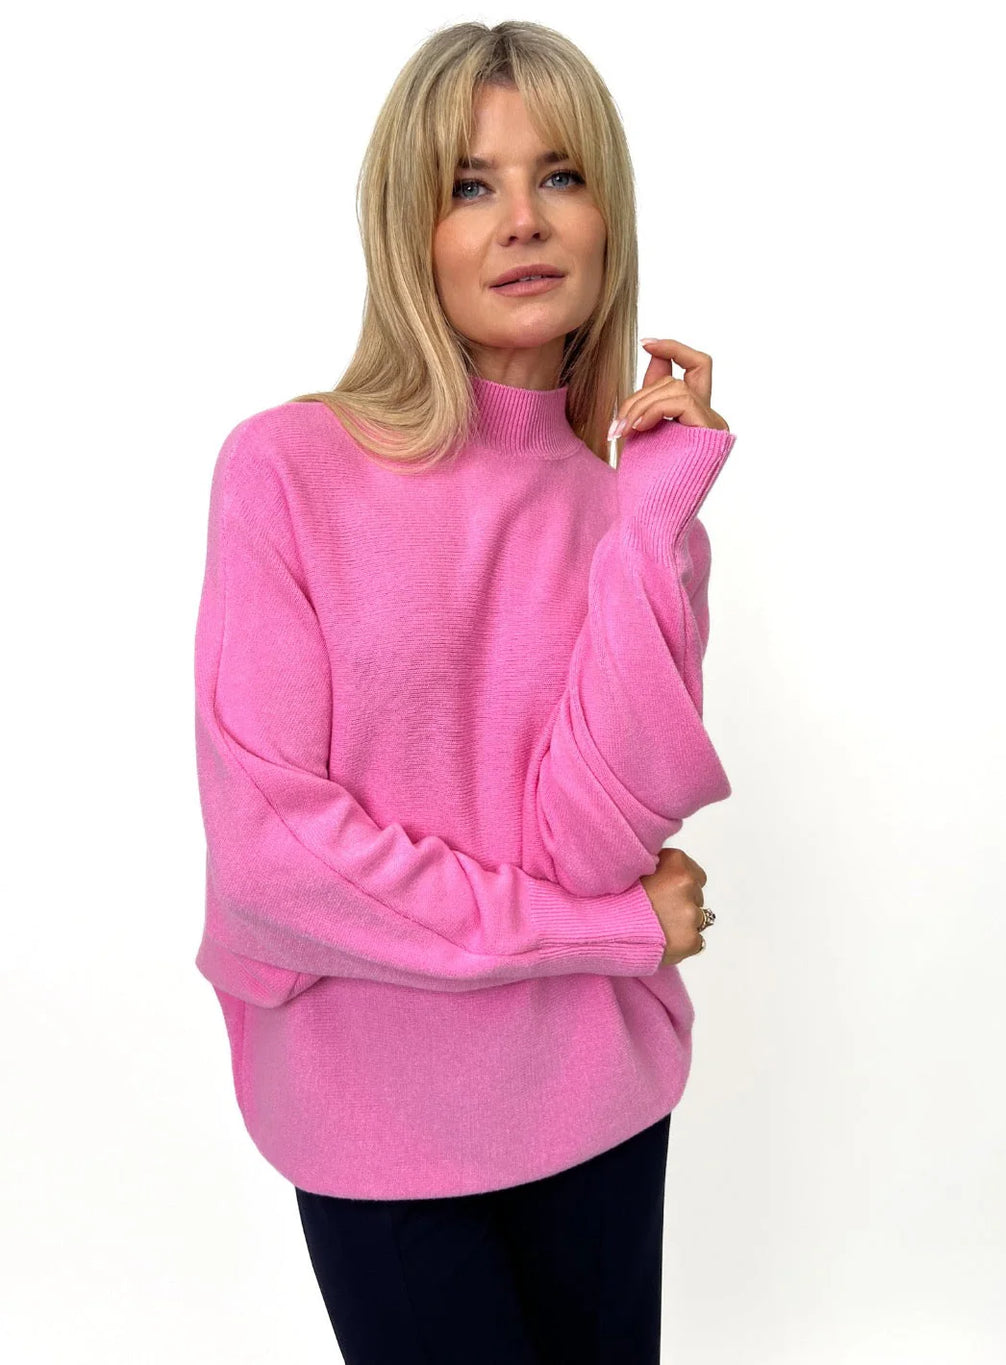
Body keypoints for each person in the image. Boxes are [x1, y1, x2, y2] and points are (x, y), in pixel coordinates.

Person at [192, 19, 736, 1364]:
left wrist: (649, 521)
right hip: (376, 1122)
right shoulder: (287, 470)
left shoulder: (637, 518)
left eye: (560, 174)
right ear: (410, 228)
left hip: (599, 1098)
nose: (522, 220)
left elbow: (590, 837)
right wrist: (606, 931)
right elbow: (275, 864)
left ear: (606, 216)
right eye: (469, 184)